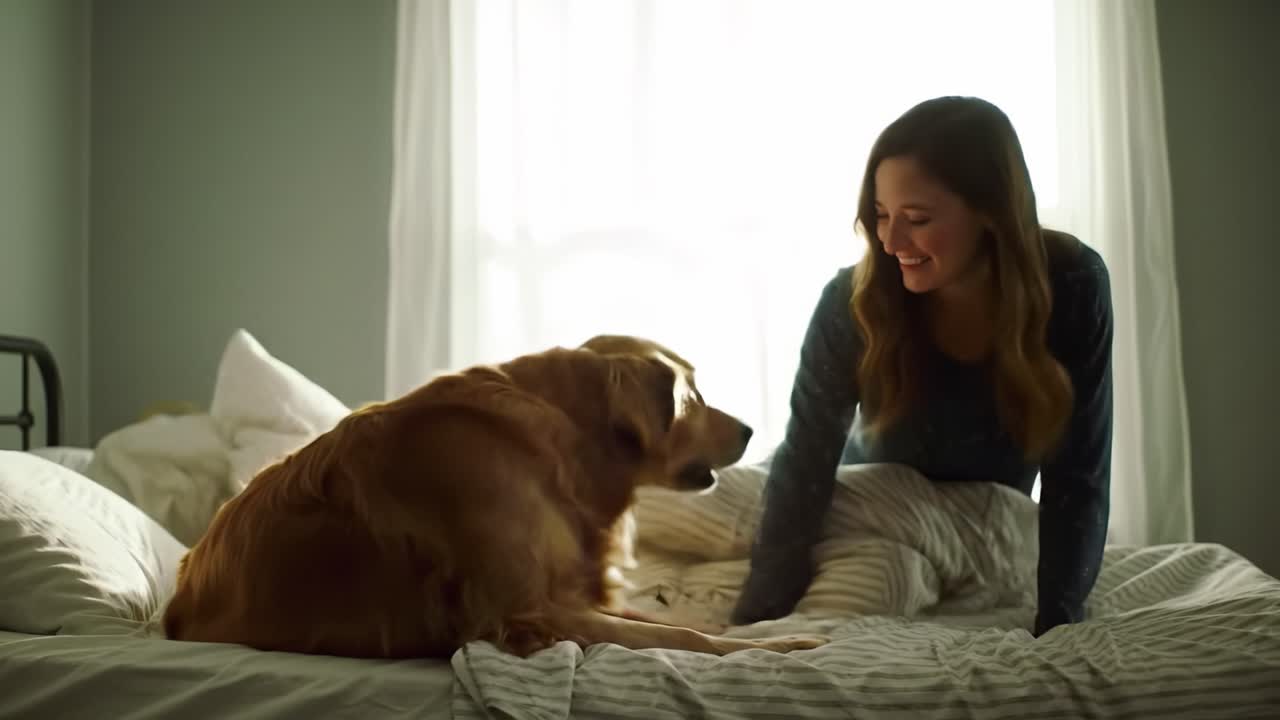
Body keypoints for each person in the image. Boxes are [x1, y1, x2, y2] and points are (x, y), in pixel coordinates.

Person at [730, 96, 1113, 637]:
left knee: (887, 580)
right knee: (705, 501)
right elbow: (804, 465)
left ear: (991, 212)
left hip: (979, 528)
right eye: (882, 216)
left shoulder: (1072, 285)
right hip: (861, 503)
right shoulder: (853, 301)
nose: (889, 241)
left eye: (916, 219)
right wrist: (753, 623)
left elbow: (1080, 476)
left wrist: (1059, 626)